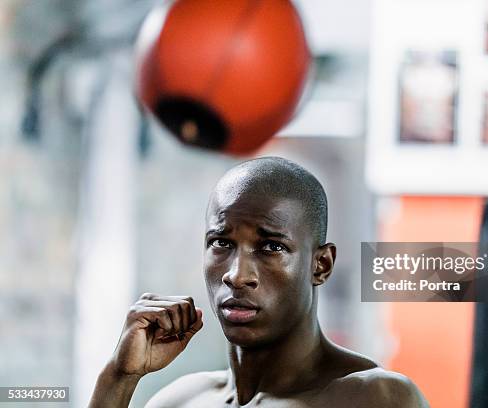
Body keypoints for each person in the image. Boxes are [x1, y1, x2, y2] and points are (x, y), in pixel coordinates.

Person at [89, 157, 428, 407]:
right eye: (221, 242)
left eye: (271, 247)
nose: (236, 275)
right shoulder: (179, 401)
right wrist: (118, 378)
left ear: (320, 265)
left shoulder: (374, 398)